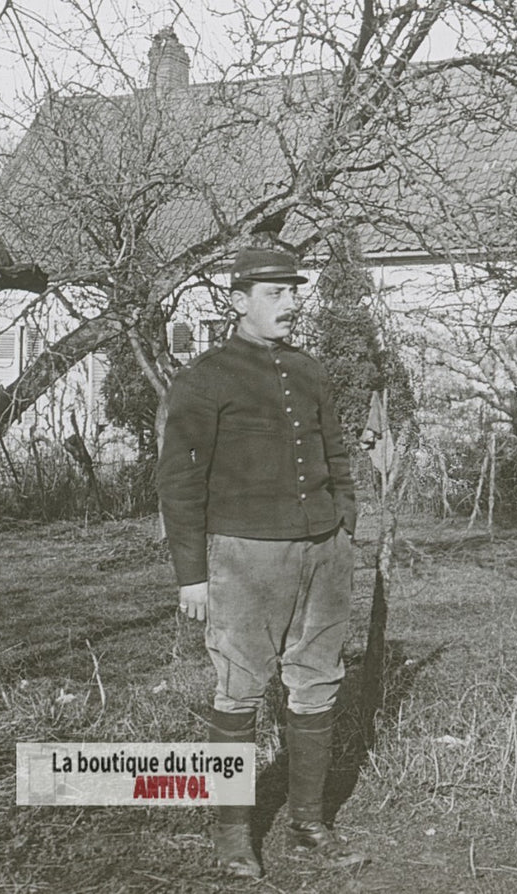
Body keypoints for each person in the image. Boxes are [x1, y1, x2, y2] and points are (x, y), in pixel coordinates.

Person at [156, 246, 366, 878]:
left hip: (323, 553)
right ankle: (231, 833)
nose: (292, 304)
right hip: (245, 558)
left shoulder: (310, 371)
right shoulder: (207, 376)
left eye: (293, 293)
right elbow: (177, 482)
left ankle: (308, 822)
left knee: (317, 684)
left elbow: (336, 455)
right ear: (238, 299)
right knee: (240, 689)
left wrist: (345, 527)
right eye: (276, 294)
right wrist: (192, 574)